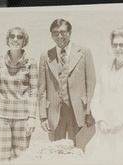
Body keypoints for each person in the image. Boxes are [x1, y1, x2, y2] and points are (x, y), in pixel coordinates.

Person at [86, 26, 123, 161]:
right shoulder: (105, 68)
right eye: (114, 45)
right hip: (104, 130)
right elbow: (96, 99)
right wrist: (100, 120)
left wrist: (121, 123)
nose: (118, 48)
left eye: (122, 45)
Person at [38, 18, 96, 148]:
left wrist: (88, 110)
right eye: (55, 33)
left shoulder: (84, 52)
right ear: (51, 35)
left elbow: (91, 84)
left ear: (70, 32)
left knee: (77, 149)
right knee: (56, 150)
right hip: (54, 112)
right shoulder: (45, 56)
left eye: (63, 32)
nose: (59, 36)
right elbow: (41, 90)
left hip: (78, 111)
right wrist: (42, 116)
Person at [0, 27, 37, 161]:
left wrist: (32, 117)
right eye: (12, 36)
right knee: (2, 157)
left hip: (23, 117)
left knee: (21, 158)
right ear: (8, 39)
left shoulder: (31, 63)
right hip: (2, 117)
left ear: (24, 41)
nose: (15, 39)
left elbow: (34, 91)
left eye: (19, 37)